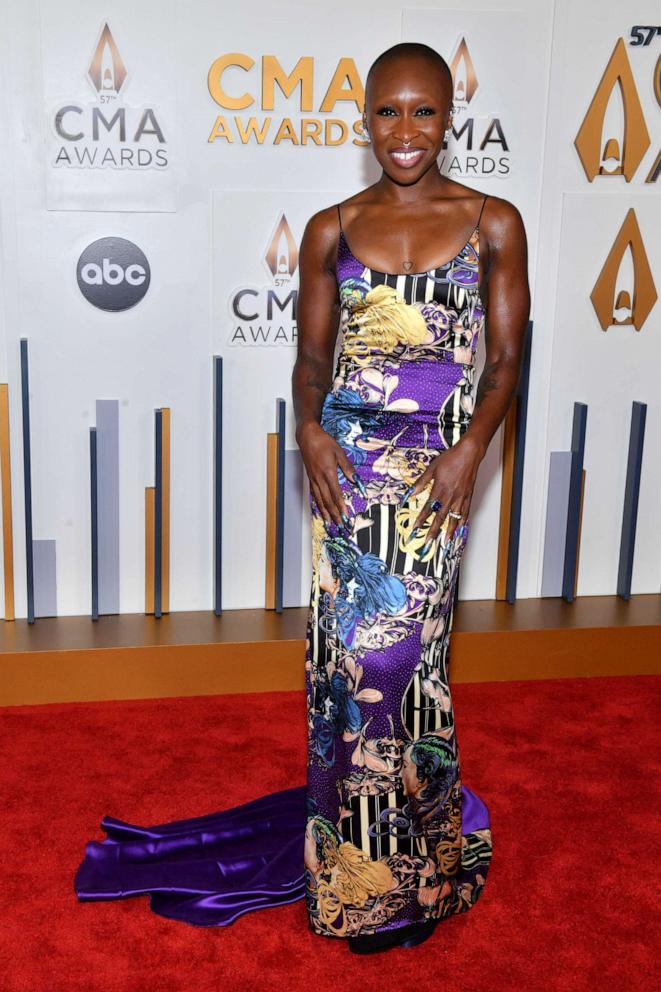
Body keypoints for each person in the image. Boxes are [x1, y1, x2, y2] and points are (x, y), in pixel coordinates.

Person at [73, 41, 530, 955]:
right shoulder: (332, 226)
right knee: (348, 676)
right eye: (386, 113)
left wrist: (472, 449)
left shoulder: (493, 223)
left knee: (407, 666)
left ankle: (422, 864)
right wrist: (311, 430)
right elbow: (311, 358)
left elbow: (508, 359)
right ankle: (362, 890)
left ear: (450, 117)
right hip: (348, 473)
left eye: (424, 112)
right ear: (364, 121)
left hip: (435, 475)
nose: (405, 132)